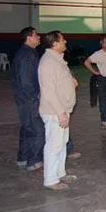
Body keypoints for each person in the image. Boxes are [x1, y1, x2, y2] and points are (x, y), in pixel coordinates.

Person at [38, 31, 78, 191]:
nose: (65, 41)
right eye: (62, 40)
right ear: (54, 44)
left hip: (62, 110)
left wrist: (70, 82)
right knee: (54, 145)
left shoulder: (57, 59)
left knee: (61, 144)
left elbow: (59, 81)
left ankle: (59, 173)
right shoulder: (48, 62)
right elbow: (48, 91)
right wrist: (60, 112)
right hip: (55, 111)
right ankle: (50, 179)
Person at [10, 27, 44, 172]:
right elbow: (26, 81)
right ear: (29, 38)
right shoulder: (27, 55)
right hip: (29, 99)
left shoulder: (28, 52)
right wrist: (35, 97)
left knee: (27, 128)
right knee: (37, 130)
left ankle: (23, 158)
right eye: (36, 35)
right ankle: (34, 162)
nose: (39, 37)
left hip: (24, 98)